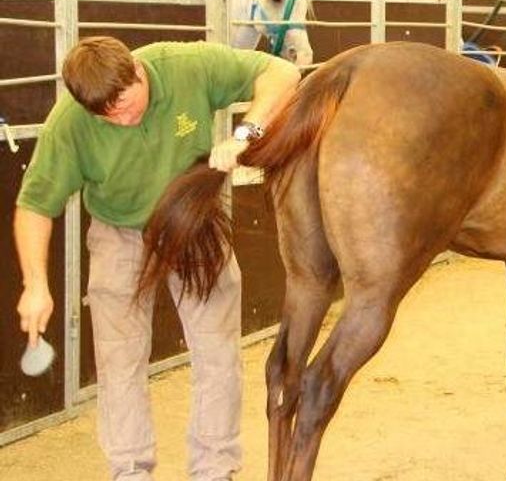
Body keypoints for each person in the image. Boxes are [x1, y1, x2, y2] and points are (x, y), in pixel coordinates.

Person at [15, 36, 300, 481]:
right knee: (119, 362)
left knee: (217, 354)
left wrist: (247, 132)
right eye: (106, 115)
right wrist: (35, 283)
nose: (122, 118)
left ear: (138, 72)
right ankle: (129, 471)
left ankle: (214, 469)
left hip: (193, 228)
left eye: (126, 103)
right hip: (118, 234)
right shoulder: (70, 123)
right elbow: (34, 206)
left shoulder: (187, 65)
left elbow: (283, 73)